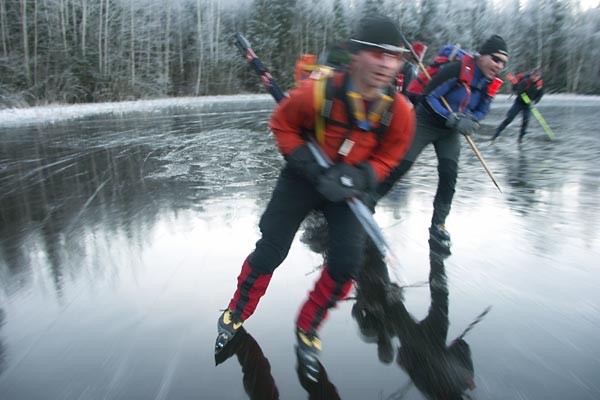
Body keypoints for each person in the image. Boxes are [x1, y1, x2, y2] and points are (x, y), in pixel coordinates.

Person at [215, 14, 416, 381]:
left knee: (345, 264)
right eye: (377, 53)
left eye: (395, 56)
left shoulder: (399, 111)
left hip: (348, 187)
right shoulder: (318, 92)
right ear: (356, 56)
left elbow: (391, 156)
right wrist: (309, 166)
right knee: (271, 249)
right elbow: (282, 123)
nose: (386, 63)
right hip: (306, 175)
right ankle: (235, 313)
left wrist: (362, 175)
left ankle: (307, 327)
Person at [373, 35, 509, 252]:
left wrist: (472, 121)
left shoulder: (492, 83)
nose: (499, 66)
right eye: (495, 59)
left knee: (449, 175)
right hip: (425, 121)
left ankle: (439, 225)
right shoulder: (457, 69)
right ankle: (367, 204)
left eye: (503, 62)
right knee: (400, 167)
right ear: (482, 55)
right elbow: (429, 96)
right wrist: (452, 117)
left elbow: (482, 108)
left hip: (450, 131)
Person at [492, 69, 544, 143]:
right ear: (531, 75)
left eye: (537, 76)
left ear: (539, 77)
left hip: (528, 106)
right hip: (519, 103)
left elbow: (540, 95)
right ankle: (496, 134)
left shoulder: (539, 85)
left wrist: (535, 102)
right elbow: (520, 92)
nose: (534, 78)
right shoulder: (525, 81)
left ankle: (520, 139)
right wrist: (527, 100)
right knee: (509, 118)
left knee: (525, 121)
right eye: (533, 75)